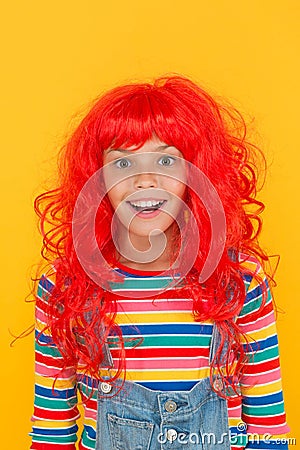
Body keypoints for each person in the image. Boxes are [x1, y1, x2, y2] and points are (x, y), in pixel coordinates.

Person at [30, 75, 290, 449]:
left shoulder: (242, 280)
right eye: (122, 163)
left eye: (166, 160)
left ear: (196, 171)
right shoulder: (65, 287)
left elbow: (269, 426)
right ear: (97, 177)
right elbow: (52, 426)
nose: (145, 179)